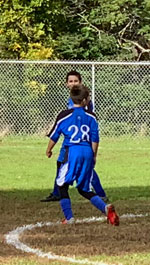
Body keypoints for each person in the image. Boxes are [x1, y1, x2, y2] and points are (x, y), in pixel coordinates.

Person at [46, 84, 119, 225]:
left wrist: (49, 150)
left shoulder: (64, 115)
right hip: (87, 152)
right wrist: (94, 155)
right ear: (85, 100)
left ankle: (69, 218)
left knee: (61, 185)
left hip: (71, 152)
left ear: (71, 98)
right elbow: (95, 138)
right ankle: (105, 208)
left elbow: (54, 136)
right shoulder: (91, 116)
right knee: (84, 188)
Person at [41, 71, 108, 202]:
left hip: (79, 140)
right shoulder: (72, 99)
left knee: (85, 167)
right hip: (70, 140)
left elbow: (83, 119)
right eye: (70, 81)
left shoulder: (83, 100)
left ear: (80, 82)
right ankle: (57, 192)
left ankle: (100, 193)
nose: (72, 83)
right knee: (61, 163)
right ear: (66, 84)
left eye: (75, 81)